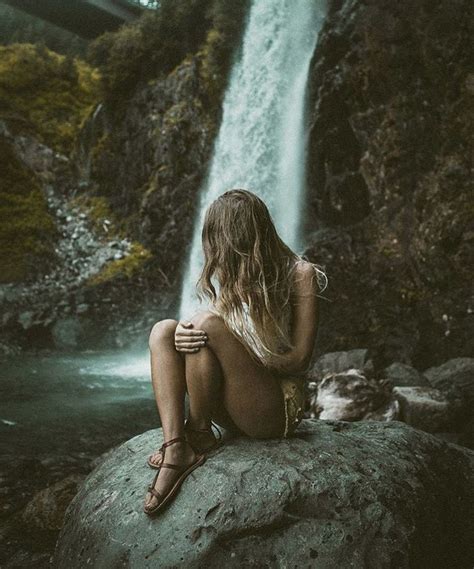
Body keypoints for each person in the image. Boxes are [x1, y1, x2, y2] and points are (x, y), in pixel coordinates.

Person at [143, 188, 328, 516]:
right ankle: (176, 444)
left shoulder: (301, 274)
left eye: (217, 236)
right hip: (233, 404)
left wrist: (237, 350)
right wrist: (188, 337)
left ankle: (197, 433)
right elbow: (215, 344)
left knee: (207, 326)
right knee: (164, 331)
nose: (213, 247)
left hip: (275, 409)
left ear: (241, 235)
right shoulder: (231, 275)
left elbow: (300, 360)